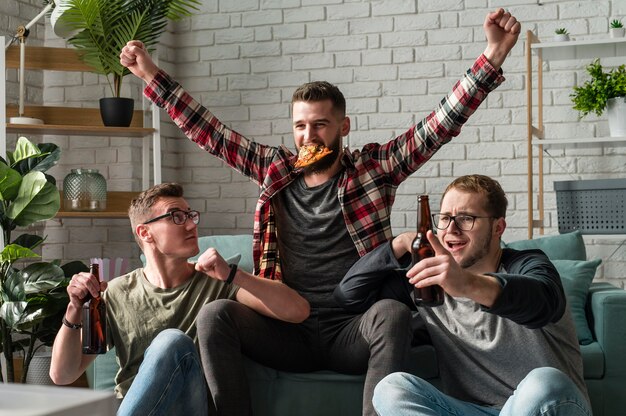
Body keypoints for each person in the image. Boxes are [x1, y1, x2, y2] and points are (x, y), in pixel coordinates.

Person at [119, 9, 521, 415]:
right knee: (215, 314)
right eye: (300, 127)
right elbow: (210, 132)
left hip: (353, 328)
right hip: (287, 328)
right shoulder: (274, 170)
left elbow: (438, 126)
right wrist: (151, 75)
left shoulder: (373, 170)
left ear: (343, 127)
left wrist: (492, 56)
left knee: (393, 313)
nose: (308, 136)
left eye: (320, 126)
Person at [335, 174, 591, 416]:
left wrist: (467, 284)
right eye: (445, 218)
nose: (451, 230)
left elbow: (543, 301)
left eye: (466, 218)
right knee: (391, 388)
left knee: (544, 382)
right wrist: (400, 243)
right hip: (470, 410)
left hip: (549, 407)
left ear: (497, 227)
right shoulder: (427, 280)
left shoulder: (527, 264)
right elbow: (349, 296)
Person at [49, 182, 309, 416]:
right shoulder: (116, 293)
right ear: (145, 233)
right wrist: (74, 309)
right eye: (177, 217)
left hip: (192, 407)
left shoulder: (216, 280)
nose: (191, 224)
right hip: (139, 408)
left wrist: (234, 275)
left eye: (190, 215)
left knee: (172, 341)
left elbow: (297, 311)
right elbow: (63, 374)